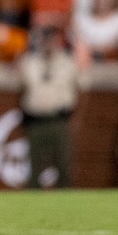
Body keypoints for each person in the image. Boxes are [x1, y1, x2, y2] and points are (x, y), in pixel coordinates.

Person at [19, 25, 86, 188]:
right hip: (36, 121)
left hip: (58, 120)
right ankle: (32, 206)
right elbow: (21, 91)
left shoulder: (68, 62)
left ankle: (66, 208)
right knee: (34, 167)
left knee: (63, 165)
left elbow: (81, 91)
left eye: (52, 39)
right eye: (45, 38)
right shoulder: (30, 62)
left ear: (58, 41)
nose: (48, 43)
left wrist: (75, 118)